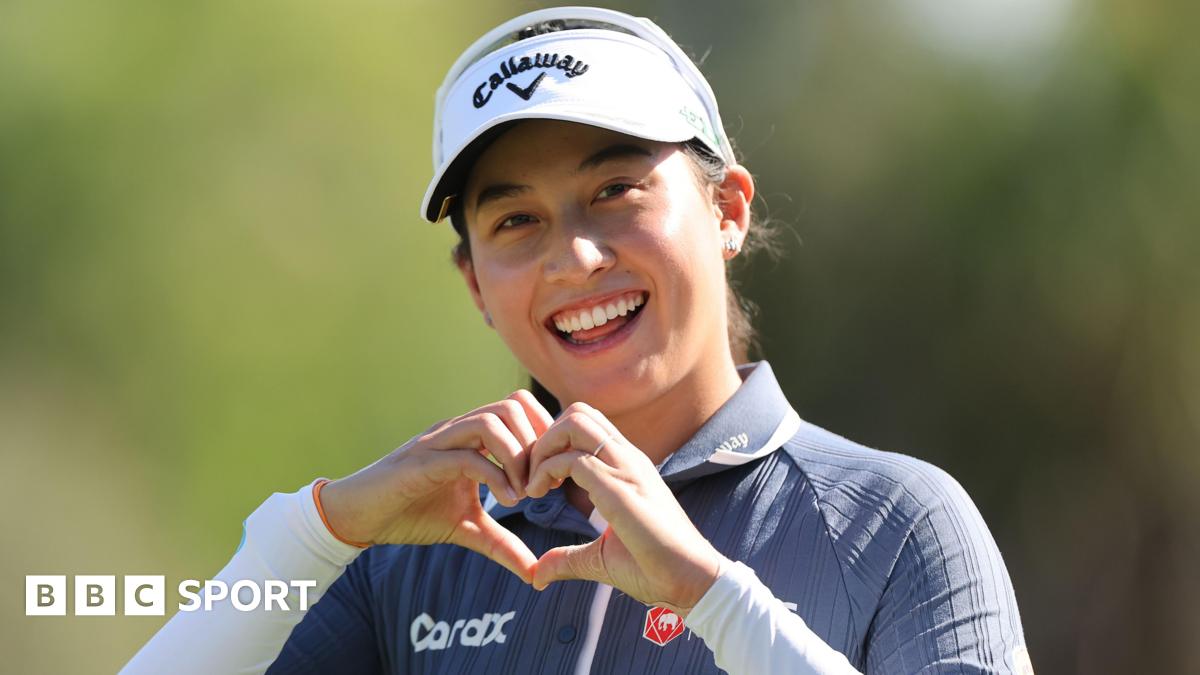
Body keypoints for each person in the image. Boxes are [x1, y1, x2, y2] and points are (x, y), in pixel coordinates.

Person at [122, 7, 1032, 674]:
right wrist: (313, 532)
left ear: (728, 210)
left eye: (615, 191)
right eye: (516, 220)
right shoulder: (418, 555)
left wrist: (713, 596)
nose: (576, 257)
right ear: (476, 284)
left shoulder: (896, 522)